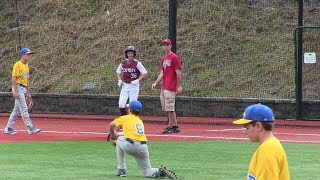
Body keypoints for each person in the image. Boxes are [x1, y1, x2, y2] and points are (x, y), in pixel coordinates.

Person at [108, 100, 177, 179]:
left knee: (119, 140)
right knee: (147, 171)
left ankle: (121, 170)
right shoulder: (140, 121)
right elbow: (132, 132)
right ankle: (159, 171)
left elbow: (111, 125)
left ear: (130, 110)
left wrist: (113, 135)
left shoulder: (125, 118)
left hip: (130, 145)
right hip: (143, 147)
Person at [233, 103, 290, 180]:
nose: (245, 132)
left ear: (258, 126)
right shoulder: (270, 146)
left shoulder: (267, 151)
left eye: (247, 128)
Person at [4, 48, 41, 135]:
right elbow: (14, 78)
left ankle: (8, 128)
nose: (29, 56)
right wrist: (15, 92)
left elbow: (27, 80)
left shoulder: (26, 66)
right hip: (18, 87)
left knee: (16, 110)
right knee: (24, 108)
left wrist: (28, 93)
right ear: (22, 55)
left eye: (29, 54)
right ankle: (30, 127)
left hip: (23, 88)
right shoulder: (18, 64)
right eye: (27, 54)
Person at [152, 38, 182, 134]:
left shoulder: (174, 57)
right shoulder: (164, 58)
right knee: (167, 107)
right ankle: (175, 125)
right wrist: (156, 82)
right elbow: (162, 72)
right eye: (164, 45)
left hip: (171, 86)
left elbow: (178, 73)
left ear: (171, 46)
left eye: (167, 45)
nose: (165, 47)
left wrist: (178, 86)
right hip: (164, 86)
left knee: (170, 107)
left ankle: (171, 126)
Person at [116, 46, 147, 116]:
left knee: (132, 105)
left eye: (131, 53)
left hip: (133, 85)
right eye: (128, 53)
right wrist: (119, 79)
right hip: (125, 85)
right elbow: (118, 72)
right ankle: (124, 120)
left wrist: (138, 80)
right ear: (126, 54)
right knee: (121, 104)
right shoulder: (123, 63)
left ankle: (132, 121)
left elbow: (144, 72)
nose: (130, 55)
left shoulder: (137, 63)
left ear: (134, 54)